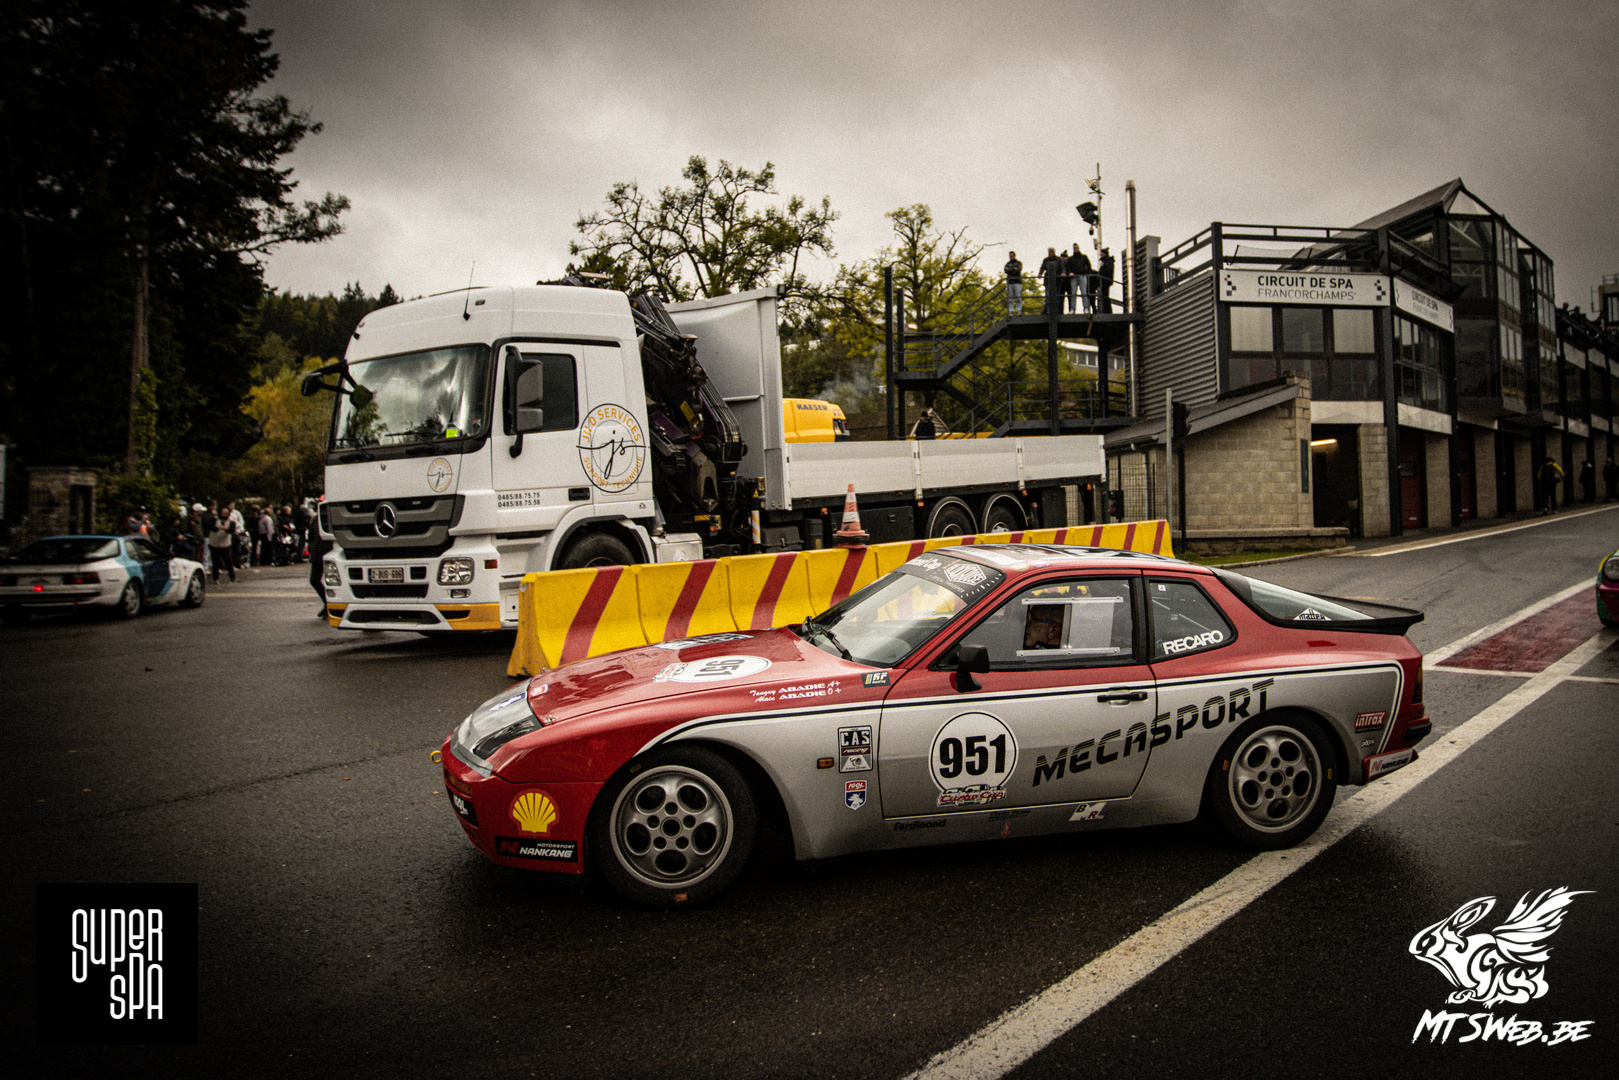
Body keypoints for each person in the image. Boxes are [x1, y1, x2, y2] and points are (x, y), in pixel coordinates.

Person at [208, 507, 238, 582]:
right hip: (214, 543)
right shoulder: (214, 520)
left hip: (225, 544)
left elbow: (232, 530)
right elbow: (211, 527)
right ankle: (215, 578)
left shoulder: (231, 521)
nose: (224, 515)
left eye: (226, 514)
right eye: (222, 514)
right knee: (215, 562)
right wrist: (218, 527)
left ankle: (232, 577)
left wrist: (225, 529)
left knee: (228, 560)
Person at [1067, 245, 1093, 313]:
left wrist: (1085, 271)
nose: (1075, 249)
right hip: (1074, 277)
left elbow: (1089, 266)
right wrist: (1070, 272)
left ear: (1079, 248)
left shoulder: (1084, 257)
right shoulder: (1070, 259)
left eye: (1076, 248)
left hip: (1082, 276)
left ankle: (1086, 308)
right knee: (1073, 293)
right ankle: (1072, 309)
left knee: (1084, 292)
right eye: (1074, 248)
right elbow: (1068, 267)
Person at [1039, 248, 1064, 315]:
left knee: (1057, 296)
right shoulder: (1046, 260)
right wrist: (1040, 273)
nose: (1050, 253)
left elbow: (1062, 267)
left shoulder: (1058, 259)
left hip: (1057, 280)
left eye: (1051, 252)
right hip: (1048, 281)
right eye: (1049, 252)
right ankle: (1048, 311)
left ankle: (1056, 311)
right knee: (1048, 296)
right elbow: (1042, 267)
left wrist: (1063, 273)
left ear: (1054, 252)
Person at [1096, 248, 1116, 314]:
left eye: (1101, 253)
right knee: (1104, 296)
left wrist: (1101, 275)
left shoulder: (1108, 261)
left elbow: (1108, 270)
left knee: (1105, 296)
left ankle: (1107, 311)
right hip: (1104, 280)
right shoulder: (1106, 261)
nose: (1100, 254)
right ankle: (1106, 310)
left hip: (1105, 281)